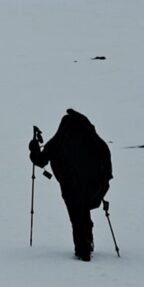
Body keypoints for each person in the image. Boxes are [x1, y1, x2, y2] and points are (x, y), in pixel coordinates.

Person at [29, 109, 112, 261]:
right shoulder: (95, 140)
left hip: (70, 187)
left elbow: (40, 160)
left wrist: (34, 148)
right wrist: (104, 183)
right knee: (83, 211)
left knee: (76, 215)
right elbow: (106, 160)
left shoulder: (59, 140)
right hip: (94, 186)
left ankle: (83, 249)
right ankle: (87, 242)